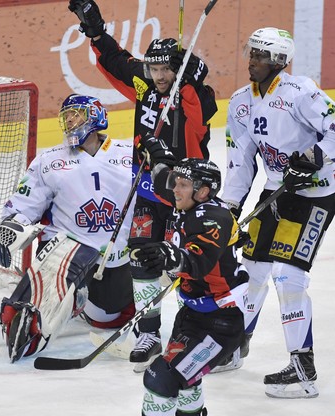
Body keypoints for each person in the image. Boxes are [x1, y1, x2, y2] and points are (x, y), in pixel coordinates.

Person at [69, 0, 218, 371]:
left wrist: (191, 77)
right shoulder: (145, 85)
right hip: (150, 188)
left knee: (191, 263)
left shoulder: (192, 94)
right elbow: (117, 62)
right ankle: (149, 333)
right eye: (154, 67)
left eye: (166, 68)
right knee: (142, 255)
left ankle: (201, 331)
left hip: (186, 191)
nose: (158, 75)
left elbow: (204, 112)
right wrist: (96, 31)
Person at [222, 27, 335, 398]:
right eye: (250, 52)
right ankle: (235, 344)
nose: (252, 60)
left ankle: (303, 371)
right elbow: (240, 162)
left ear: (280, 62)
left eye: (261, 55)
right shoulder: (240, 102)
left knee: (287, 275)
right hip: (277, 191)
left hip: (316, 194)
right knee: (251, 268)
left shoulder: (301, 91)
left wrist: (315, 156)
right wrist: (229, 208)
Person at [0, 94, 135, 362]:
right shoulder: (49, 161)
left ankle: (79, 303)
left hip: (116, 258)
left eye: (77, 114)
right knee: (25, 318)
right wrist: (10, 226)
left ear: (96, 116)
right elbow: (24, 204)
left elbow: (155, 205)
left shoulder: (129, 156)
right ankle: (62, 298)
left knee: (105, 317)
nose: (70, 120)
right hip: (64, 250)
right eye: (66, 116)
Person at [131, 145, 248, 416]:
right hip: (193, 316)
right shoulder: (189, 201)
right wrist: (157, 154)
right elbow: (162, 181)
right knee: (187, 383)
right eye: (176, 182)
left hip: (220, 323)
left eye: (182, 184)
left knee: (161, 377)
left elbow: (199, 260)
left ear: (203, 191)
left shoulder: (213, 218)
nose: (175, 189)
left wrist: (172, 257)